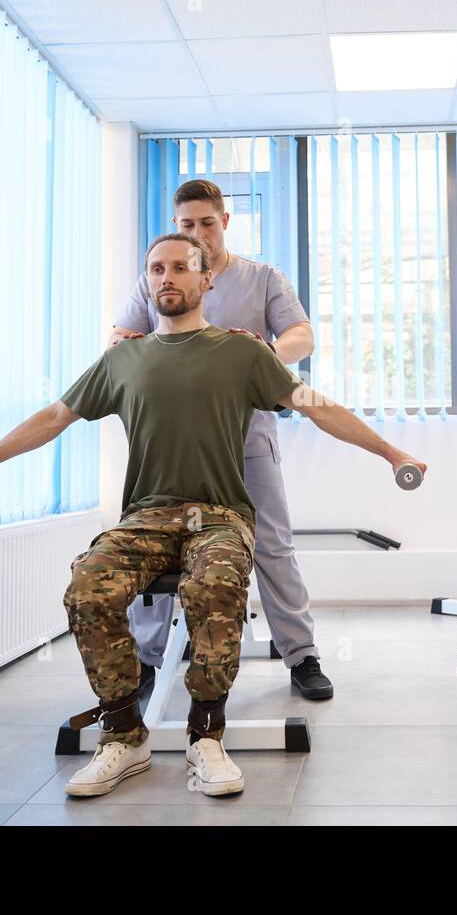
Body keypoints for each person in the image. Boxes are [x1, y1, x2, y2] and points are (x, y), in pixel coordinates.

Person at [0, 233, 427, 798]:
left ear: (206, 282)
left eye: (180, 268)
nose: (167, 277)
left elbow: (316, 407)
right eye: (156, 269)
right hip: (145, 519)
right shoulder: (122, 359)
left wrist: (392, 453)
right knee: (87, 587)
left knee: (214, 589)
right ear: (147, 283)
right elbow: (54, 417)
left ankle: (206, 736)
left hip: (219, 516)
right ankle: (124, 736)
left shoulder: (245, 353)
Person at [107, 179, 333, 699]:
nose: (198, 233)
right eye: (186, 224)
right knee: (157, 545)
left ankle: (302, 656)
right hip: (169, 447)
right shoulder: (161, 278)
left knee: (272, 545)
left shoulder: (261, 278)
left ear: (225, 221)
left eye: (207, 222)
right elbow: (121, 339)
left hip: (248, 440)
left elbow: (301, 335)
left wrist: (264, 354)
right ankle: (146, 659)